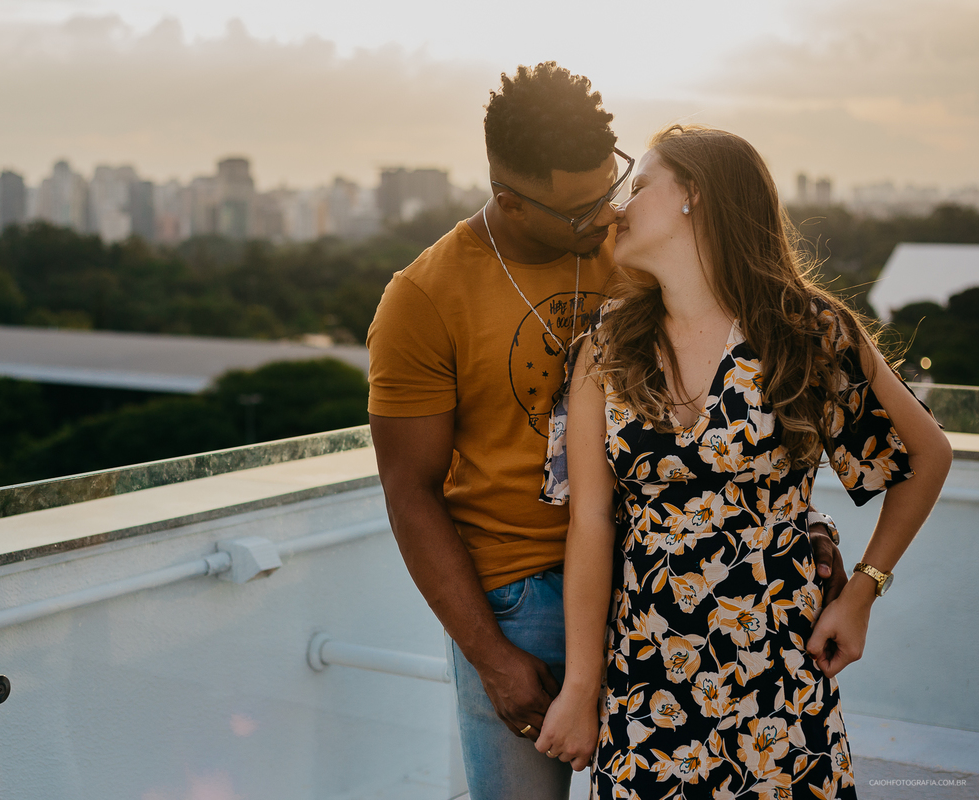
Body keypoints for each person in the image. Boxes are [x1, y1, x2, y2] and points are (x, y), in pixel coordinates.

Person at [366, 65, 848, 798]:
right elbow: (410, 493)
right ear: (508, 199)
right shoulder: (423, 298)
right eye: (578, 208)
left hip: (657, 583)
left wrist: (797, 524)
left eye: (611, 187)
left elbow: (734, 385)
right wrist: (490, 654)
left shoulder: (634, 247)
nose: (603, 217)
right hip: (517, 595)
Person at [533, 125, 952, 797]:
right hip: (648, 678)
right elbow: (591, 525)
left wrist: (865, 590)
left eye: (639, 186)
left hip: (777, 674)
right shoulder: (604, 350)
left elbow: (927, 455)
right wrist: (582, 688)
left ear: (695, 195)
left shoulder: (807, 333)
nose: (618, 208)